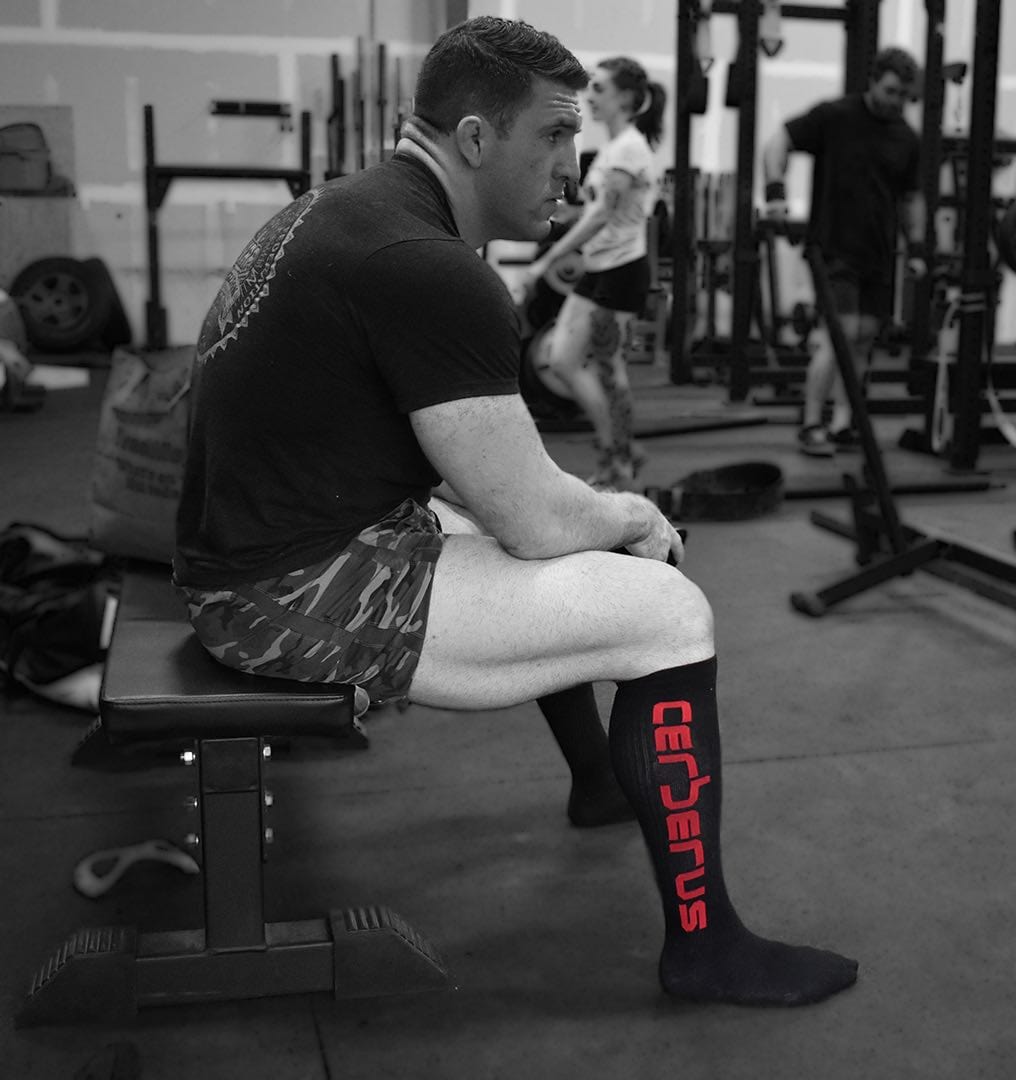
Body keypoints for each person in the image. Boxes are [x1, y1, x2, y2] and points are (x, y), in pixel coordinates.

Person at [174, 15, 857, 1006]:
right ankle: (707, 947)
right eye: (554, 136)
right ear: (474, 138)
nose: (573, 168)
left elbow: (485, 485)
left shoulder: (348, 207)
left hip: (258, 553)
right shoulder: (429, 265)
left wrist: (585, 519)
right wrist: (633, 517)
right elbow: (535, 518)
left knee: (552, 541)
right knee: (670, 613)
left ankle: (600, 780)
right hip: (283, 594)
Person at [762, 47, 927, 457]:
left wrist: (918, 247)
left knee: (864, 339)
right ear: (873, 81)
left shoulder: (907, 138)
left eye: (903, 95)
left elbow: (911, 198)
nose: (895, 101)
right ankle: (811, 423)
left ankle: (842, 423)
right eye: (890, 91)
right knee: (838, 336)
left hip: (879, 253)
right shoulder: (836, 116)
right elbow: (778, 142)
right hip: (834, 248)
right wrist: (776, 193)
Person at [522, 56, 665, 489]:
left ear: (625, 97)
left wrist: (547, 259)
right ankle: (620, 447)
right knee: (562, 359)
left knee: (608, 367)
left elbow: (603, 216)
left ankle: (616, 458)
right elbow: (595, 210)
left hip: (622, 273)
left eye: (600, 89)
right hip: (600, 268)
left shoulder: (630, 149)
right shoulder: (613, 149)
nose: (591, 97)